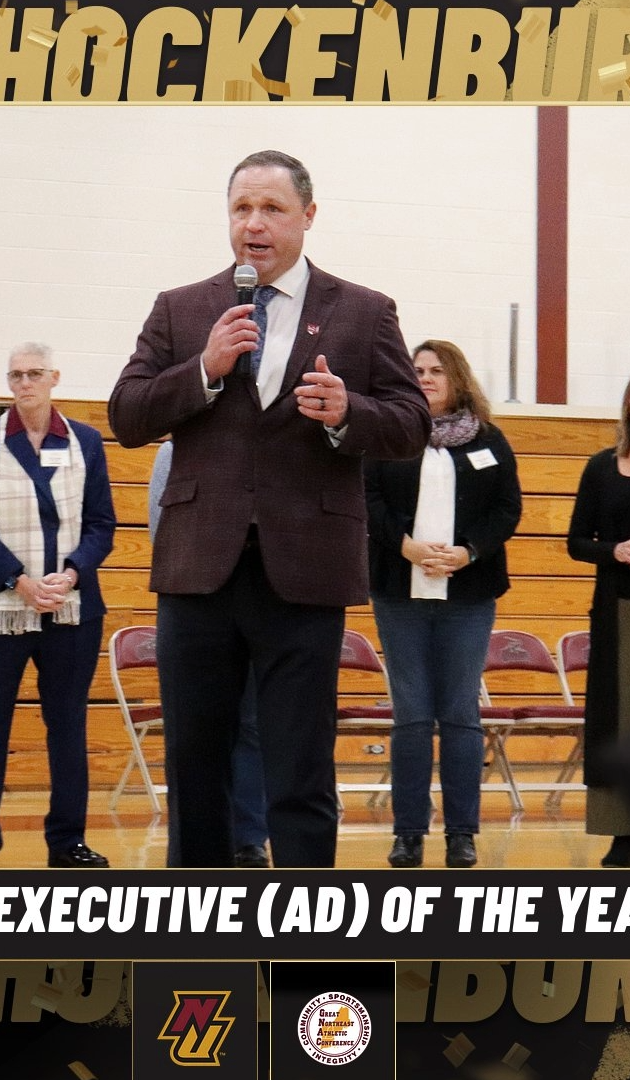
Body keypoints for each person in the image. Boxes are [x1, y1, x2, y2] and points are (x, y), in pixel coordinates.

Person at [109, 149, 431, 868]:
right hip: (199, 570)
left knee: (300, 764)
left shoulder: (364, 311)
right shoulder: (183, 308)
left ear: (308, 217)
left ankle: (306, 926)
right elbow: (126, 414)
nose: (253, 224)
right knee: (197, 763)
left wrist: (350, 412)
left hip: (305, 567)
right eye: (241, 209)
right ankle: (199, 925)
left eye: (272, 209)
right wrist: (202, 371)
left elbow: (411, 422)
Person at [0, 342, 115, 869]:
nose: (25, 383)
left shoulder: (87, 441)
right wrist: (19, 582)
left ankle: (68, 843)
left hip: (71, 611)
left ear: (54, 378)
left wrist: (71, 575)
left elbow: (101, 526)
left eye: (35, 373)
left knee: (67, 727)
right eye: (16, 375)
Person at [364, 341, 521, 870]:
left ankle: (461, 835)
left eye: (436, 370)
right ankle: (408, 834)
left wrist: (467, 551)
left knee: (458, 713)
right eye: (418, 370)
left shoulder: (489, 439)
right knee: (410, 715)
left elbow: (507, 509)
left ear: (457, 377)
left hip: (468, 595)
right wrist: (405, 545)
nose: (426, 377)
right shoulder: (387, 436)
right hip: (398, 591)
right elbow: (368, 503)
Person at [147, 438, 270, 868]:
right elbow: (160, 529)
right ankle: (194, 847)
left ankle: (251, 837)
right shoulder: (170, 454)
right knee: (196, 736)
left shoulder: (260, 450)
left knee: (252, 726)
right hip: (197, 606)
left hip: (259, 604)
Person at [567, 363, 630, 868]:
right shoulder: (601, 466)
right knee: (620, 721)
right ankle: (621, 834)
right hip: (617, 608)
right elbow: (576, 542)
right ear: (627, 404)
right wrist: (616, 551)